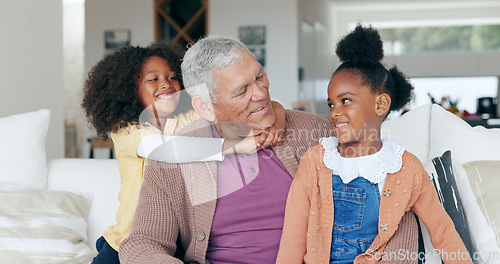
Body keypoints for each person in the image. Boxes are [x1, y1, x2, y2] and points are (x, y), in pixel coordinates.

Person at [118, 35, 420, 264]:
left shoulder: (314, 133)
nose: (261, 93)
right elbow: (142, 243)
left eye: (259, 77)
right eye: (242, 90)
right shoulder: (178, 157)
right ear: (205, 107)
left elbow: (395, 203)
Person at [275, 25, 472, 264]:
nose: (335, 113)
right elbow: (293, 236)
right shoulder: (315, 161)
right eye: (331, 104)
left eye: (345, 101)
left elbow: (443, 231)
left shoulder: (405, 167)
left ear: (381, 105)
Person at [81, 42, 286, 264]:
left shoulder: (181, 123)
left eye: (172, 77)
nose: (166, 85)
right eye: (153, 79)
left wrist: (277, 121)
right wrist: (234, 146)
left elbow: (229, 111)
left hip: (175, 240)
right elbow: (164, 149)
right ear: (128, 89)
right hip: (126, 241)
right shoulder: (126, 131)